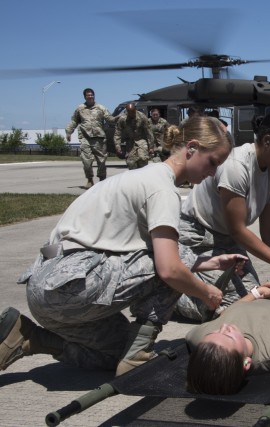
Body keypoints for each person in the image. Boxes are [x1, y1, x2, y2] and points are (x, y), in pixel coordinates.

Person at [0, 115, 246, 377]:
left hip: (51, 290)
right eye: (212, 163)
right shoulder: (162, 190)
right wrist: (206, 292)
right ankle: (137, 358)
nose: (212, 173)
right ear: (192, 148)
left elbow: (139, 247)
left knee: (114, 354)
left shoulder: (144, 176)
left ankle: (26, 337)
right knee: (172, 273)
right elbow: (169, 270)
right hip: (66, 286)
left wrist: (208, 263)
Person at [174, 110, 270, 322]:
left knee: (252, 295)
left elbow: (269, 230)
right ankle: (166, 294)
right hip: (196, 237)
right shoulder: (237, 165)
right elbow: (238, 229)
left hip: (227, 241)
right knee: (221, 305)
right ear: (267, 140)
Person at [65, 88, 118, 189]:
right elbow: (74, 121)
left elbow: (110, 119)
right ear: (85, 97)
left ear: (94, 96)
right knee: (86, 161)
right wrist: (69, 132)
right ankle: (90, 180)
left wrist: (118, 118)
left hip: (99, 139)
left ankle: (102, 179)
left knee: (101, 161)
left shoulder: (101, 108)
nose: (90, 97)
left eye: (91, 95)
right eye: (88, 95)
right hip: (85, 138)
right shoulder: (80, 109)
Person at [114, 103, 154, 170]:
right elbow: (117, 134)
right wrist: (118, 147)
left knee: (143, 159)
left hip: (141, 140)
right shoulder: (123, 119)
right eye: (129, 112)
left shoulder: (142, 117)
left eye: (132, 112)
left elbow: (149, 133)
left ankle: (143, 178)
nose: (131, 114)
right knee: (131, 163)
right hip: (130, 142)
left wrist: (151, 147)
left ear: (135, 109)